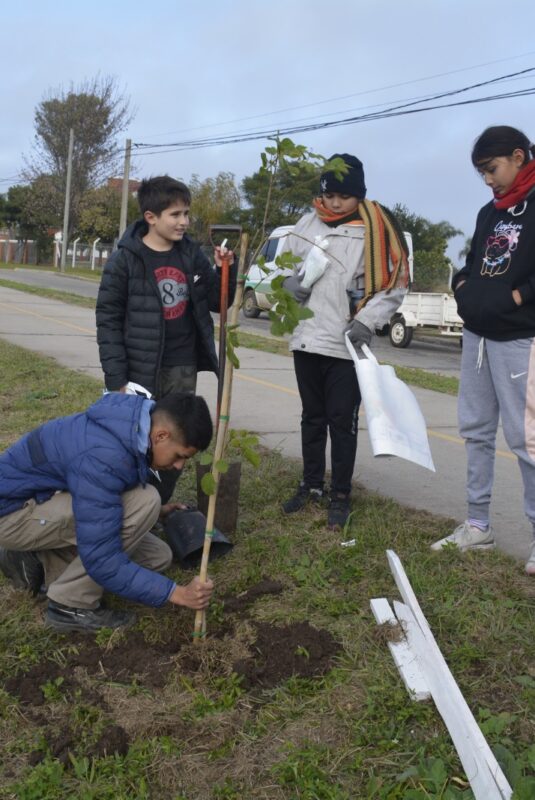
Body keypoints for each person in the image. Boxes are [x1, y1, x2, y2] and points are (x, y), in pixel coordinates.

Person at [0, 392, 215, 632]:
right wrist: (177, 593)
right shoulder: (104, 456)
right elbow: (101, 557)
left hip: (42, 500)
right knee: (145, 502)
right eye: (179, 456)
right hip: (11, 514)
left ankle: (36, 556)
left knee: (158, 557)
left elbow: (105, 494)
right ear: (161, 435)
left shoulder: (130, 424)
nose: (178, 466)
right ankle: (70, 606)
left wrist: (161, 512)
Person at [280, 153, 409, 529]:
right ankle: (310, 484)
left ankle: (340, 493)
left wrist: (368, 322)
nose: (334, 203)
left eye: (343, 196)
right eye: (329, 195)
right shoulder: (308, 223)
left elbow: (394, 283)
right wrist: (287, 286)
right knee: (312, 417)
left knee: (342, 421)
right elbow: (282, 266)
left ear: (359, 194)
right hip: (306, 338)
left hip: (345, 344)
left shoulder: (376, 229)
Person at [431, 126, 535, 577]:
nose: (489, 180)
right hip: (477, 338)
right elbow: (472, 262)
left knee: (527, 440)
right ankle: (477, 525)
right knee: (475, 429)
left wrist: (516, 298)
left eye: (492, 170)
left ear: (518, 156)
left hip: (521, 339)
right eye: (481, 174)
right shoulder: (488, 212)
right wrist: (462, 287)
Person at [96, 175, 236, 503]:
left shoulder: (191, 255)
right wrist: (117, 378)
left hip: (182, 368)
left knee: (176, 439)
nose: (184, 222)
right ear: (151, 217)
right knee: (134, 439)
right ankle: (126, 505)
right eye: (175, 215)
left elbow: (218, 302)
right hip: (137, 371)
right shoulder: (125, 259)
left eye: (187, 214)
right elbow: (108, 321)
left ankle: (158, 505)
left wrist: (225, 268)